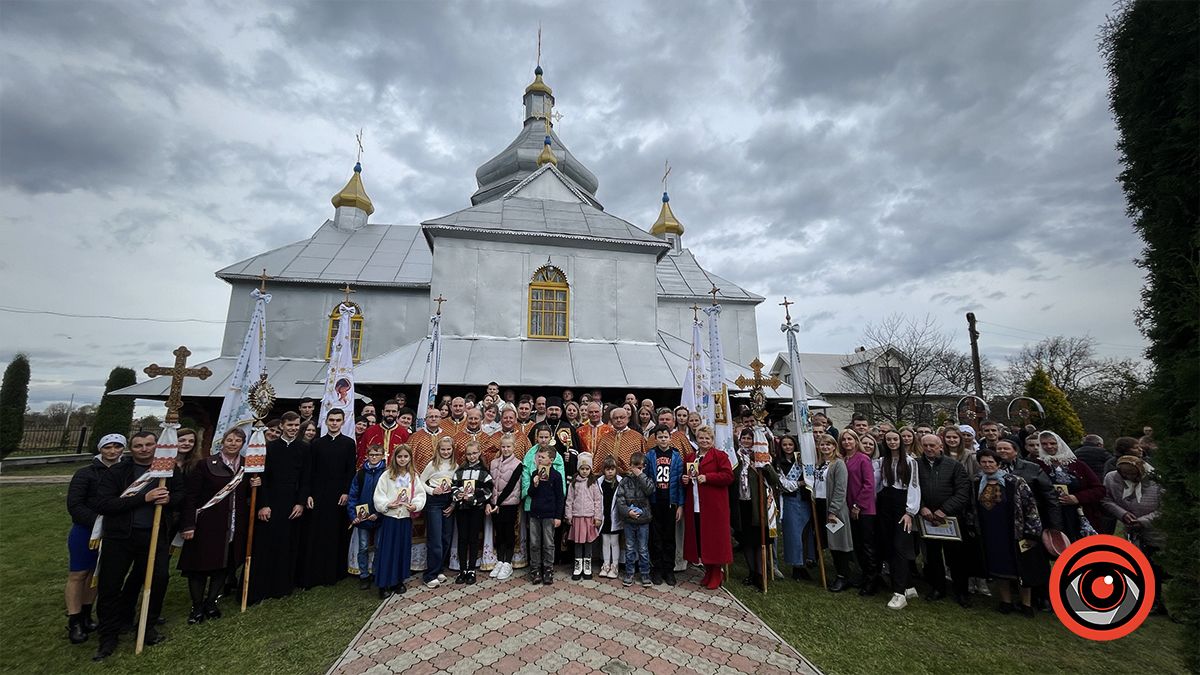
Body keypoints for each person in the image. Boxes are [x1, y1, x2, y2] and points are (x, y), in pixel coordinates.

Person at [92, 431, 181, 661]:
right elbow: (104, 504)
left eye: (149, 444)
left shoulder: (167, 470)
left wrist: (170, 499)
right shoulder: (117, 472)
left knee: (158, 580)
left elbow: (181, 495)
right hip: (120, 537)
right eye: (139, 445)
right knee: (110, 585)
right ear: (131, 448)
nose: (144, 449)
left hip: (154, 535)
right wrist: (144, 498)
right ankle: (108, 635)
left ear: (156, 446)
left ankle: (147, 627)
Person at [179, 428, 250, 625]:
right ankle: (197, 606)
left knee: (224, 563)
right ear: (223, 442)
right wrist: (188, 524)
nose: (233, 444)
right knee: (200, 565)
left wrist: (256, 483)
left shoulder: (247, 465)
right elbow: (191, 496)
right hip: (208, 522)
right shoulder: (205, 464)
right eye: (230, 440)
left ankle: (211, 602)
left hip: (233, 522)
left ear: (242, 444)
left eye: (238, 441)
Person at [972, 448, 1046, 617]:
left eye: (991, 462)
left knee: (1021, 567)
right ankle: (1006, 601)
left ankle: (1026, 604)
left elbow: (1030, 506)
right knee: (999, 567)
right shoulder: (977, 482)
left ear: (998, 464)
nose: (987, 465)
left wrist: (1032, 531)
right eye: (984, 462)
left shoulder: (1015, 481)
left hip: (1014, 531)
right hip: (990, 531)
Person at [65, 434, 124, 644]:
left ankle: (86, 614)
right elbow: (75, 504)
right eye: (108, 447)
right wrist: (99, 523)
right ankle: (74, 620)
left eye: (117, 447)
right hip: (86, 530)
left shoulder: (125, 471)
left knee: (96, 574)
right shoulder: (85, 474)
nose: (113, 451)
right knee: (79, 574)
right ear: (101, 449)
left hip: (113, 531)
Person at [246, 412, 308, 605]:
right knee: (266, 544)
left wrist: (300, 502)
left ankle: (283, 586)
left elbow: (306, 478)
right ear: (282, 425)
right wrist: (263, 504)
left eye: (296, 425)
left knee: (287, 544)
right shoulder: (270, 447)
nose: (293, 428)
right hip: (271, 500)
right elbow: (263, 478)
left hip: (292, 501)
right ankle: (261, 586)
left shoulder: (304, 448)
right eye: (290, 425)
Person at [296, 408, 357, 588]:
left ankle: (334, 572)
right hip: (318, 494)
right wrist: (308, 494)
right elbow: (310, 471)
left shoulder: (348, 443)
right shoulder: (316, 444)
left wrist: (346, 492)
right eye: (331, 420)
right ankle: (314, 572)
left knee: (335, 533)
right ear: (326, 421)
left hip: (338, 496)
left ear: (343, 422)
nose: (334, 423)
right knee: (316, 533)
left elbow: (350, 470)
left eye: (338, 420)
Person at [916, 434, 972, 608]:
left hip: (950, 518)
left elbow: (963, 491)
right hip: (927, 517)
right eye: (925, 445)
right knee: (933, 556)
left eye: (932, 445)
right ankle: (938, 587)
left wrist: (945, 510)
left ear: (940, 446)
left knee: (956, 557)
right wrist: (922, 507)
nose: (929, 449)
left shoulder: (954, 465)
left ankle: (961, 591)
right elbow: (912, 488)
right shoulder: (915, 465)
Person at [681, 427, 735, 590]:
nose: (704, 441)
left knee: (714, 540)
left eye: (707, 438)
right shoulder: (691, 457)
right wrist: (685, 479)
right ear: (696, 439)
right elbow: (687, 477)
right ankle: (708, 570)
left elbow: (728, 476)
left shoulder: (720, 456)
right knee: (701, 539)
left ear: (712, 440)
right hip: (695, 504)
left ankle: (717, 572)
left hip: (714, 506)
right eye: (701, 438)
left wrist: (708, 477)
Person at [1102, 455, 1164, 592]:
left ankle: (1156, 596)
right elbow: (1106, 499)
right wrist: (1122, 514)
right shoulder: (1112, 478)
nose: (1129, 477)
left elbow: (1165, 508)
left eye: (1132, 474)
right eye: (1124, 474)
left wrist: (1143, 521)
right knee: (1136, 564)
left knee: (1156, 566)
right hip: (1131, 529)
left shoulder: (1156, 480)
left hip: (1156, 531)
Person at [874, 430, 920, 609]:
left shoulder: (910, 462)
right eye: (889, 439)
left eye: (895, 439)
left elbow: (914, 487)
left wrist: (910, 512)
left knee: (900, 545)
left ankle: (899, 593)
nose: (892, 442)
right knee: (889, 545)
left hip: (902, 504)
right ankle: (908, 585)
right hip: (886, 503)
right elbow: (879, 485)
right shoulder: (882, 461)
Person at [372, 445, 426, 597]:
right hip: (391, 519)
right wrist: (387, 504)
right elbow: (379, 494)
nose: (402, 459)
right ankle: (383, 583)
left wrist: (415, 505)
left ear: (410, 458)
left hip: (405, 518)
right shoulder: (387, 475)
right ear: (394, 458)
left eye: (405, 456)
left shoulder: (413, 476)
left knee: (402, 549)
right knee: (388, 550)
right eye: (399, 456)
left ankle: (398, 581)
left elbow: (420, 494)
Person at [732, 427, 782, 589]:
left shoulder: (761, 457)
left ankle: (761, 574)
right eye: (744, 438)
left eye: (749, 438)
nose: (746, 441)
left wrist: (764, 465)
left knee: (758, 540)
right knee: (746, 540)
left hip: (757, 506)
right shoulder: (735, 457)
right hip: (742, 503)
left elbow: (774, 480)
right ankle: (751, 572)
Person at [1032, 431, 1104, 541]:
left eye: (1053, 443)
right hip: (1050, 517)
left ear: (1059, 444)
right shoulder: (1035, 466)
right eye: (1044, 444)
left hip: (1079, 515)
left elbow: (1099, 489)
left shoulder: (1077, 465)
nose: (1049, 446)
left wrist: (1077, 498)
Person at [840, 429, 879, 596]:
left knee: (867, 545)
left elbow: (869, 484)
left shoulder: (863, 458)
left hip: (864, 508)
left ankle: (872, 581)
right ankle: (864, 575)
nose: (847, 442)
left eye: (850, 439)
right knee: (857, 545)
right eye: (844, 439)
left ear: (856, 441)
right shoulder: (843, 459)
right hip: (849, 507)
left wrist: (858, 505)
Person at [644, 427, 684, 585]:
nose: (663, 439)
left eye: (665, 436)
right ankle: (657, 568)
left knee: (669, 537)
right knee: (655, 537)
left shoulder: (676, 456)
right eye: (660, 437)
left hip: (670, 502)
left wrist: (680, 505)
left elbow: (680, 483)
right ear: (655, 439)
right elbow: (646, 478)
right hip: (655, 501)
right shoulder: (650, 455)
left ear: (670, 438)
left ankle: (669, 569)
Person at [814, 433, 854, 592]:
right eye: (822, 444)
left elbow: (840, 489)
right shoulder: (819, 464)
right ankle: (839, 573)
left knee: (838, 543)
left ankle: (844, 576)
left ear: (834, 446)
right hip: (820, 505)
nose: (825, 447)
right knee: (829, 542)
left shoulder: (838, 464)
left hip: (834, 509)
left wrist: (833, 511)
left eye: (828, 444)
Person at [451, 440, 493, 584]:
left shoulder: (484, 472)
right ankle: (462, 569)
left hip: (476, 509)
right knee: (462, 538)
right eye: (469, 454)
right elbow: (453, 486)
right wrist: (458, 495)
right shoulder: (460, 471)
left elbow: (488, 490)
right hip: (462, 509)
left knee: (473, 539)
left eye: (474, 453)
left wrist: (473, 498)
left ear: (479, 453)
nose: (472, 456)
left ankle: (471, 570)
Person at [419, 436, 457, 588]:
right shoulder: (432, 465)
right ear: (438, 450)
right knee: (435, 539)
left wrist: (453, 504)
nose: (446, 452)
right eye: (443, 449)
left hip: (448, 501)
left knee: (446, 537)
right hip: (434, 501)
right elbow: (420, 481)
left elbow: (457, 485)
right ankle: (430, 575)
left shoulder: (455, 466)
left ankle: (439, 568)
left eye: (448, 449)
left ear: (452, 450)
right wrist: (431, 490)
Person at [775, 435, 814, 581]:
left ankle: (806, 562)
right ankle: (796, 566)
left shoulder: (802, 460)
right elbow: (783, 485)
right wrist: (800, 483)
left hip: (805, 500)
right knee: (793, 535)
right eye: (784, 445)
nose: (788, 447)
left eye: (790, 444)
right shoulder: (778, 463)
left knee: (806, 533)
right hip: (790, 501)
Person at [347, 444, 386, 589]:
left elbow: (390, 495)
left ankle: (376, 572)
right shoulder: (361, 474)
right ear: (367, 456)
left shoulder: (386, 473)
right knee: (363, 547)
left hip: (379, 516)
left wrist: (379, 513)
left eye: (377, 454)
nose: (374, 457)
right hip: (363, 518)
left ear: (382, 456)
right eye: (371, 455)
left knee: (379, 546)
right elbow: (353, 495)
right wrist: (353, 515)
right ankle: (364, 575)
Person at [525, 446, 564, 585]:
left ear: (551, 460)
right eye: (538, 457)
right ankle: (535, 568)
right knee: (534, 543)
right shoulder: (534, 473)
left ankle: (548, 568)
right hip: (535, 514)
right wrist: (534, 484)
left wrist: (558, 516)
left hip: (549, 514)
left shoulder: (556, 476)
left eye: (542, 457)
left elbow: (560, 497)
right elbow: (530, 493)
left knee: (548, 543)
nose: (539, 459)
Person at [487, 434, 522, 580]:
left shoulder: (518, 464)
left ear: (514, 447)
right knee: (499, 533)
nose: (506, 449)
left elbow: (511, 486)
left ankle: (508, 562)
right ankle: (500, 560)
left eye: (508, 446)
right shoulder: (493, 463)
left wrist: (498, 503)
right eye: (503, 446)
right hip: (495, 504)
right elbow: (490, 484)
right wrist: (490, 502)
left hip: (508, 504)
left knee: (508, 533)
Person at [616, 451, 654, 588]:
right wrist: (627, 512)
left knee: (643, 549)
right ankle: (629, 573)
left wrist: (641, 475)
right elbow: (620, 500)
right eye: (635, 467)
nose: (637, 470)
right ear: (630, 466)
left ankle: (645, 574)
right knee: (629, 547)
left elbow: (650, 490)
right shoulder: (625, 481)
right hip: (629, 520)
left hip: (643, 520)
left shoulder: (647, 479)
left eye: (640, 467)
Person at [564, 452, 603, 581]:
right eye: (582, 468)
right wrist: (568, 515)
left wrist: (598, 517)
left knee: (588, 542)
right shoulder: (574, 483)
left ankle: (587, 566)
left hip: (589, 518)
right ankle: (578, 566)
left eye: (587, 469)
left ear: (590, 469)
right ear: (578, 469)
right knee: (578, 542)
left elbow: (597, 501)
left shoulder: (593, 483)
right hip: (577, 517)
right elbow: (569, 500)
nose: (585, 471)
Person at [595, 407, 644, 476]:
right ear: (611, 420)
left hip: (630, 477)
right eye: (616, 418)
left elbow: (643, 458)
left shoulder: (637, 437)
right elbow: (598, 458)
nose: (619, 420)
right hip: (608, 476)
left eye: (622, 417)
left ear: (628, 419)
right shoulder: (605, 438)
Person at [361, 400, 410, 466]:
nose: (390, 414)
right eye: (387, 411)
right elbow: (362, 454)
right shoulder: (370, 431)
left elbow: (407, 455)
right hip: (373, 470)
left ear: (398, 413)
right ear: (383, 412)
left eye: (393, 411)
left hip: (395, 470)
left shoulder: (404, 433)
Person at [597, 456, 622, 579]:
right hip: (604, 517)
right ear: (604, 470)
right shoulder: (599, 483)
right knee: (605, 541)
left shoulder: (620, 483)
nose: (610, 472)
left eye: (612, 469)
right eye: (607, 469)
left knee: (614, 542)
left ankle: (615, 565)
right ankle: (606, 564)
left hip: (615, 517)